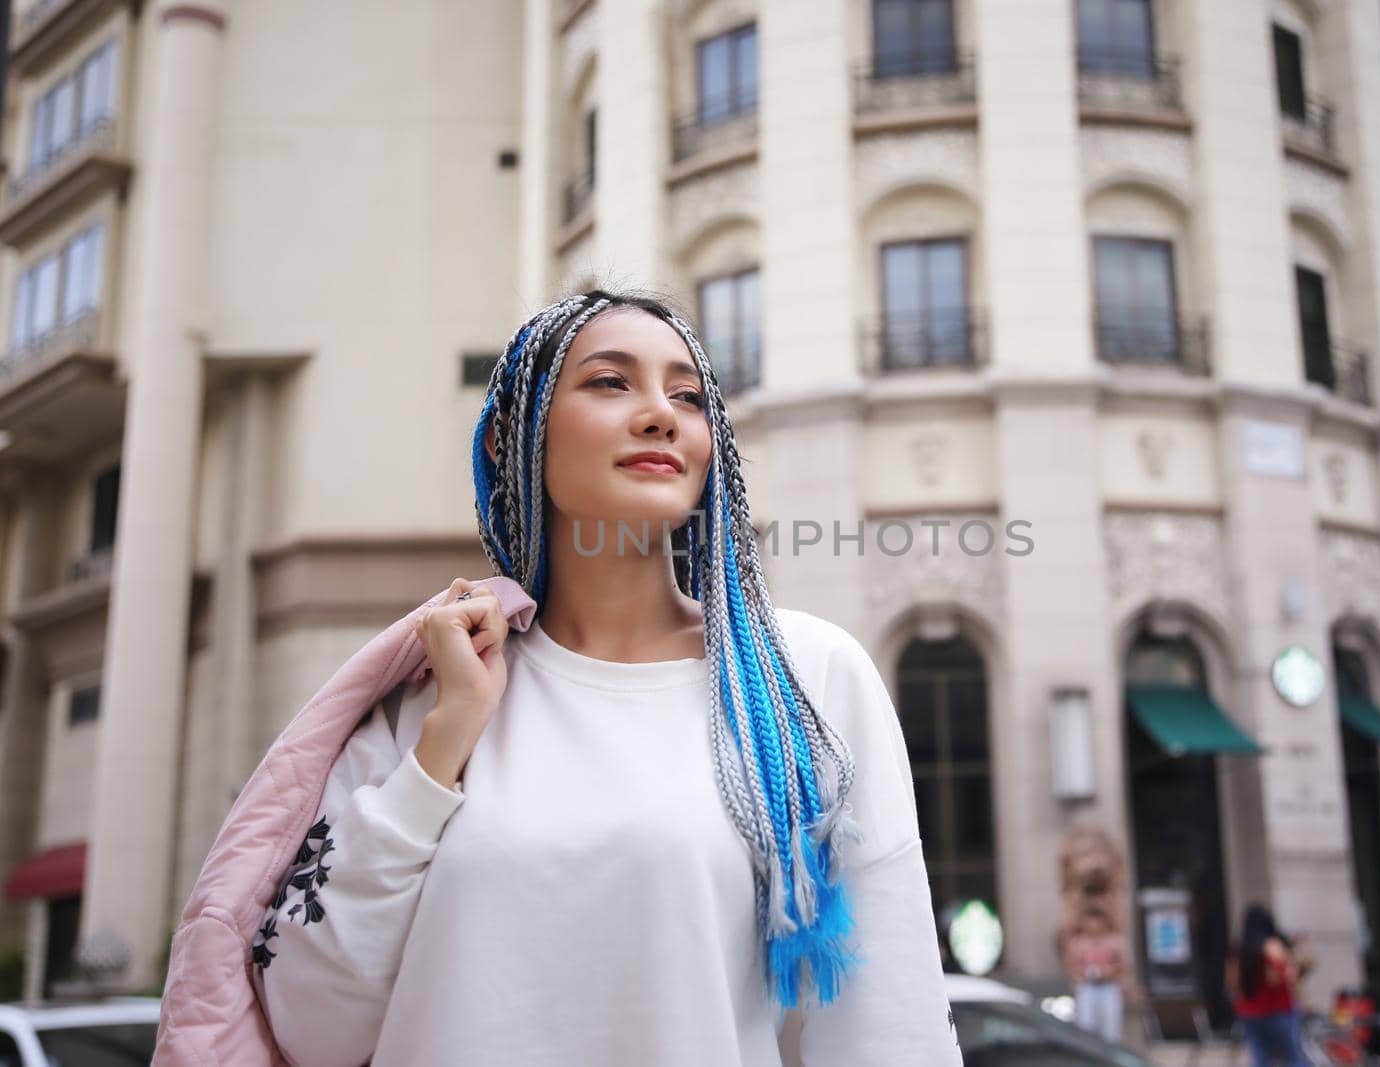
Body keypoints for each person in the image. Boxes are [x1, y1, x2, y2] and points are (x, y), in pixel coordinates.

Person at [245, 290, 962, 1066]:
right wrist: (444, 745)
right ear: (512, 440)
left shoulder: (807, 681)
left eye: (688, 396)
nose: (660, 414)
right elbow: (309, 1024)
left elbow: (891, 1028)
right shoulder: (431, 694)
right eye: (610, 382)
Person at [1227, 903, 1311, 1067]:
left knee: (1260, 1058)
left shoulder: (1238, 949)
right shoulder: (1271, 946)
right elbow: (1279, 978)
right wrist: (1292, 967)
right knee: (1292, 1056)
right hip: (1277, 1008)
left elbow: (1231, 982)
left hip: (1248, 1010)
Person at [1064, 907, 1128, 1045]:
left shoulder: (1115, 941)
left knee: (1111, 1028)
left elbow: (1124, 965)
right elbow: (1072, 965)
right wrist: (1082, 974)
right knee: (1086, 1025)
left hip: (1109, 987)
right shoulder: (1078, 943)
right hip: (1088, 987)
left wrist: (1109, 972)